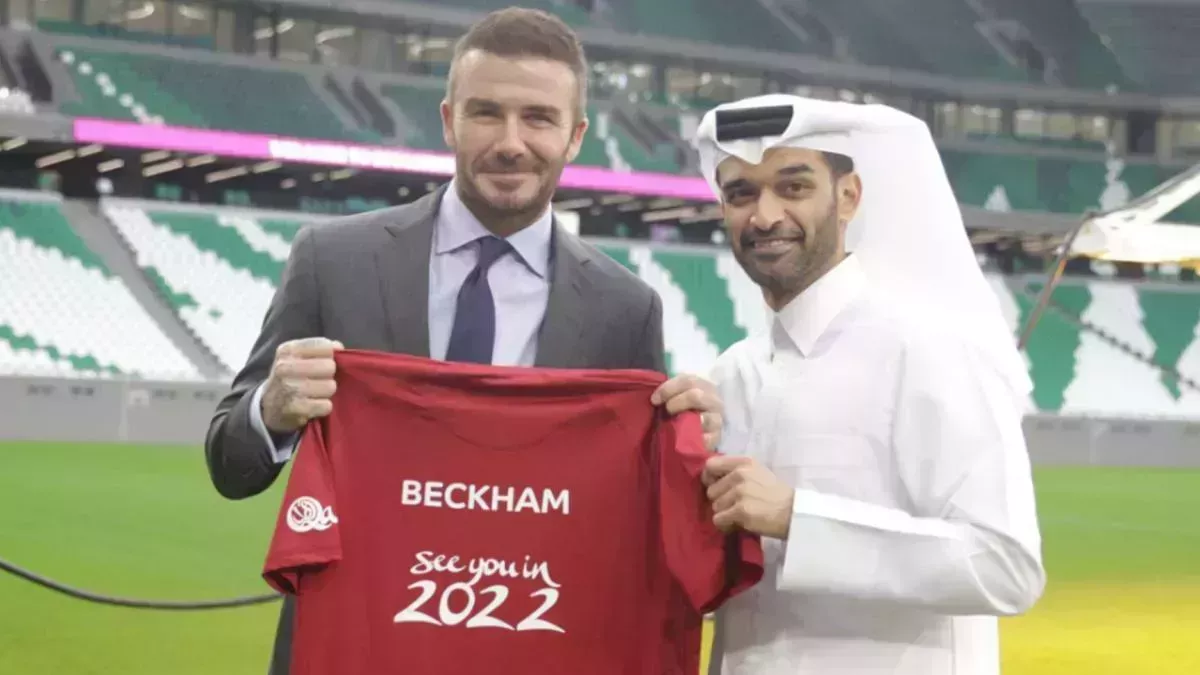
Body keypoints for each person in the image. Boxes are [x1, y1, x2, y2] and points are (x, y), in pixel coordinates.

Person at [202, 8, 721, 675]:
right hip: (356, 647)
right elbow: (229, 465)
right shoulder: (335, 261)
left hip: (527, 648)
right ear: (449, 120)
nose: (510, 142)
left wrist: (690, 451)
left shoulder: (625, 308)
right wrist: (271, 412)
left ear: (575, 137)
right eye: (486, 113)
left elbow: (635, 522)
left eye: (538, 118)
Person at [691, 94, 1046, 674]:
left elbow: (1006, 567)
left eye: (794, 187)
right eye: (741, 194)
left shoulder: (933, 350)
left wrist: (798, 519)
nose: (765, 215)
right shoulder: (728, 374)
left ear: (849, 196)